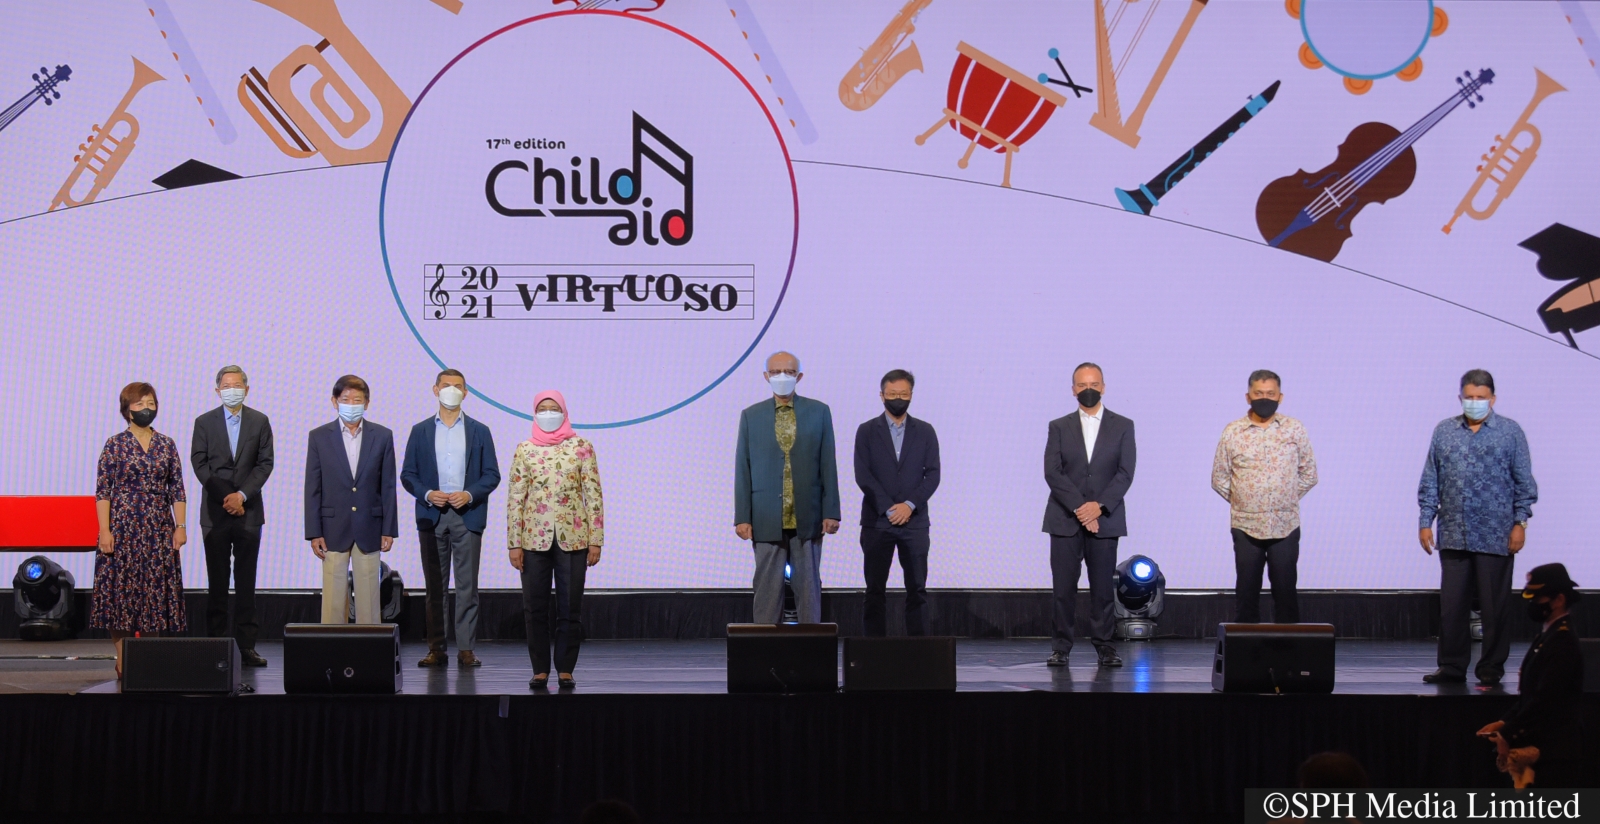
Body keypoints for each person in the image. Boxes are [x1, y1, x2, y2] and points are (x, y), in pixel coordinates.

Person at [1418, 369, 1537, 685]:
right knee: (1452, 607)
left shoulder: (1510, 432)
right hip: (1454, 532)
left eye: (1480, 398)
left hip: (1496, 534)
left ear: (1492, 399)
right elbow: (1431, 478)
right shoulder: (1445, 431)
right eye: (1469, 397)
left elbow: (1524, 482)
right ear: (1460, 397)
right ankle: (1452, 667)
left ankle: (1491, 668)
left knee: (1494, 607)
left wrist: (1520, 522)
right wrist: (1425, 521)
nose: (1474, 403)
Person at [401, 369, 501, 669]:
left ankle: (467, 649)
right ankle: (437, 648)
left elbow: (491, 475)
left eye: (458, 386)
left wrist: (469, 495)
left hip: (467, 517)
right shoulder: (420, 430)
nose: (452, 391)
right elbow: (408, 475)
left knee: (467, 586)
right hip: (432, 517)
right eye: (446, 386)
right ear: (435, 390)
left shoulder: (479, 430)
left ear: (466, 392)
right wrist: (428, 493)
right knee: (435, 588)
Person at [506, 391, 604, 689]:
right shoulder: (525, 449)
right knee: (534, 607)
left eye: (554, 408)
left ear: (564, 411)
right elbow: (515, 497)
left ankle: (565, 667)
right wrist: (514, 542)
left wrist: (596, 539)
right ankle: (539, 668)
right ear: (534, 414)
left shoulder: (581, 446)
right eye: (543, 409)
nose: (549, 414)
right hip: (533, 539)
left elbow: (593, 494)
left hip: (574, 538)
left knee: (569, 606)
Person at [734, 351, 840, 624]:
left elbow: (828, 464)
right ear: (766, 376)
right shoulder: (751, 416)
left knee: (809, 589)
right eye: (776, 371)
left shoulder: (819, 412)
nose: (783, 377)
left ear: (799, 376)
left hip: (808, 515)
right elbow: (743, 469)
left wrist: (832, 511)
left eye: (789, 372)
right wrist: (742, 517)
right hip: (767, 516)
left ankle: (810, 653)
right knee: (767, 590)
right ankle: (764, 652)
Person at [1042, 363, 1136, 668]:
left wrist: (1099, 507)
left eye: (1094, 384)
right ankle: (1061, 648)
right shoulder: (1058, 426)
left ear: (1104, 386)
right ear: (1073, 390)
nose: (1088, 390)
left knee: (1102, 590)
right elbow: (1053, 473)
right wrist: (1081, 509)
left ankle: (1105, 646)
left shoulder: (1123, 425)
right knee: (1063, 589)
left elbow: (1125, 473)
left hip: (1105, 519)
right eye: (1082, 385)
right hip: (1065, 519)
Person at [94, 382, 187, 676]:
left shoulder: (166, 444)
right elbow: (103, 492)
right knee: (120, 597)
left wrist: (180, 526)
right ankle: (123, 661)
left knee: (155, 597)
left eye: (151, 403)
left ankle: (148, 661)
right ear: (126, 408)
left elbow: (178, 490)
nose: (146, 408)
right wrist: (105, 531)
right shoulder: (115, 444)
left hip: (159, 529)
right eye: (139, 403)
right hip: (122, 529)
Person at [1211, 369, 1318, 624]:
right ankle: (1248, 660)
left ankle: (1287, 660)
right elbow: (1220, 477)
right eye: (1258, 393)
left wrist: (1284, 498)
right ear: (1248, 396)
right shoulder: (1233, 431)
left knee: (1285, 593)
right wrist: (1245, 501)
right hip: (1246, 526)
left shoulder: (1294, 429)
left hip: (1285, 524)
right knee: (1246, 595)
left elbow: (1309, 474)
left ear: (1280, 397)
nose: (1264, 398)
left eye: (1270, 394)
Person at [190, 365, 274, 667]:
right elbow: (199, 463)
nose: (232, 389)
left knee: (246, 582)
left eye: (237, 385)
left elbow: (265, 464)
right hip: (215, 513)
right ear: (217, 390)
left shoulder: (260, 421)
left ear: (247, 389)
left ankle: (247, 646)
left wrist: (241, 496)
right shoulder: (204, 422)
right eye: (226, 385)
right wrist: (226, 496)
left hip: (249, 511)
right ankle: (217, 645)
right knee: (217, 582)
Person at [1477, 564, 1587, 789]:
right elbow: (1532, 694)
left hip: (1553, 753)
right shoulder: (1549, 635)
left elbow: (1546, 700)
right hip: (1543, 748)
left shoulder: (1562, 642)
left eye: (1538, 600)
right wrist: (1504, 721)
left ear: (1558, 600)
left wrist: (1508, 734)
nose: (1533, 605)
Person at [853, 368, 941, 636]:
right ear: (882, 395)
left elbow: (933, 474)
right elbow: (863, 474)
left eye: (903, 394)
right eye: (892, 394)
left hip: (914, 523)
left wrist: (909, 505)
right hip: (877, 522)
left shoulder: (925, 431)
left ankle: (918, 651)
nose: (898, 398)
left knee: (917, 589)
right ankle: (873, 652)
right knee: (874, 589)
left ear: (911, 395)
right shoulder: (867, 430)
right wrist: (889, 507)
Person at [304, 375, 398, 624]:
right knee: (334, 600)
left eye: (358, 399)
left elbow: (388, 486)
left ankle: (369, 654)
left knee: (369, 600)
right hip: (332, 527)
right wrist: (314, 532)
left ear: (367, 403)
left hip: (370, 526)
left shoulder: (382, 436)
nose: (352, 404)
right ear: (335, 402)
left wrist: (388, 528)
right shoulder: (319, 437)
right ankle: (332, 652)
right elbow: (313, 488)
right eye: (346, 399)